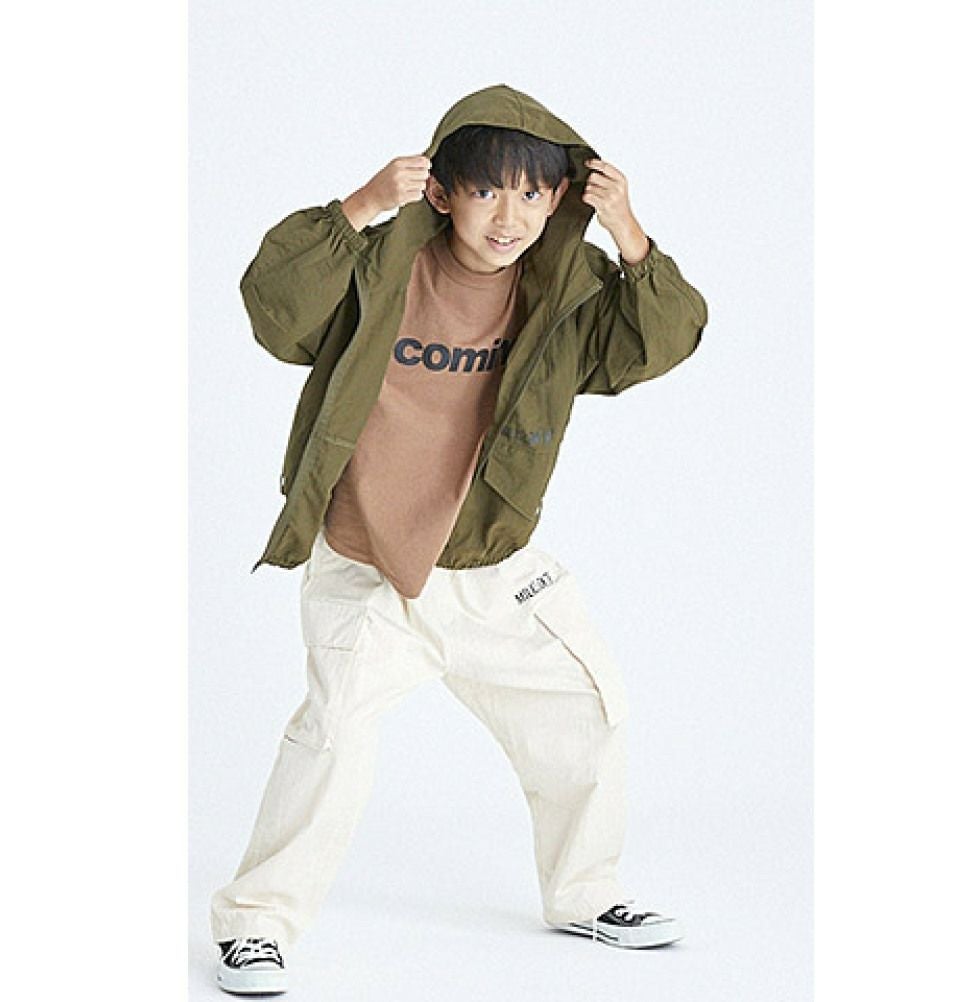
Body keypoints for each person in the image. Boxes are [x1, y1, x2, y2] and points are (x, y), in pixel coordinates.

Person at [209, 83, 708, 996]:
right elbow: (275, 312)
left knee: (586, 712)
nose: (508, 217)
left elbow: (653, 346)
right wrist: (361, 206)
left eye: (533, 194)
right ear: (440, 192)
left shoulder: (566, 291)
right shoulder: (381, 265)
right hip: (369, 561)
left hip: (489, 562)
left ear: (559, 200)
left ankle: (586, 893)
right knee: (331, 740)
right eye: (485, 191)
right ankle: (256, 927)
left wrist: (629, 232)